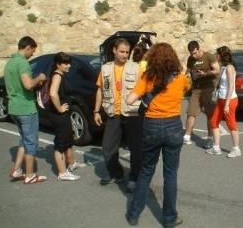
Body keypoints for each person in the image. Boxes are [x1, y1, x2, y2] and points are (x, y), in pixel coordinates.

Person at [125, 43, 190, 228]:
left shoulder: (147, 77)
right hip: (173, 126)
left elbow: (130, 99)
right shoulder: (180, 78)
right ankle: (169, 218)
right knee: (170, 175)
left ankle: (134, 213)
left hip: (152, 126)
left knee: (146, 171)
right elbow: (186, 87)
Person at [93, 38, 143, 190]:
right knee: (108, 148)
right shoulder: (105, 69)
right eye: (122, 51)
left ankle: (134, 177)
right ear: (114, 50)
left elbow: (145, 89)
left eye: (127, 52)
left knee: (136, 149)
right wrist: (96, 111)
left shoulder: (136, 68)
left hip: (133, 114)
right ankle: (117, 174)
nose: (125, 55)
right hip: (113, 114)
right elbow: (100, 89)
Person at [4, 36, 47, 184]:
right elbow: (28, 85)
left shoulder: (9, 63)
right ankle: (30, 175)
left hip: (14, 107)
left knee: (24, 139)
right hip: (25, 108)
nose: (32, 54)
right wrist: (39, 78)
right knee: (31, 142)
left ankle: (17, 169)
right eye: (32, 51)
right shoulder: (22, 63)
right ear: (27, 47)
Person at [48, 52, 81, 181]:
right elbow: (52, 94)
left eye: (69, 63)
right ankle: (62, 173)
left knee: (68, 141)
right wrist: (59, 108)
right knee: (60, 144)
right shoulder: (57, 76)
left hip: (64, 115)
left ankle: (71, 164)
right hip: (59, 116)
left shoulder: (61, 74)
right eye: (66, 63)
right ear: (58, 64)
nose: (69, 66)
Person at [183, 40, 220, 148]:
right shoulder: (191, 59)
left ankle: (210, 138)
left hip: (209, 87)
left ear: (198, 49)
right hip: (196, 89)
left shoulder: (209, 57)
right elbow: (188, 71)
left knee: (210, 114)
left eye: (195, 53)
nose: (193, 56)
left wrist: (206, 73)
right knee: (191, 112)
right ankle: (187, 136)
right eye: (191, 54)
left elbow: (217, 70)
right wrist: (185, 77)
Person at [206, 46, 241, 158]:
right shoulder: (223, 67)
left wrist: (226, 104)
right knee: (214, 121)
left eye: (217, 54)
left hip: (229, 100)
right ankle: (216, 147)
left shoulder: (230, 68)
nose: (216, 56)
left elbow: (231, 86)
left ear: (222, 55)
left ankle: (236, 149)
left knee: (231, 124)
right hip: (221, 99)